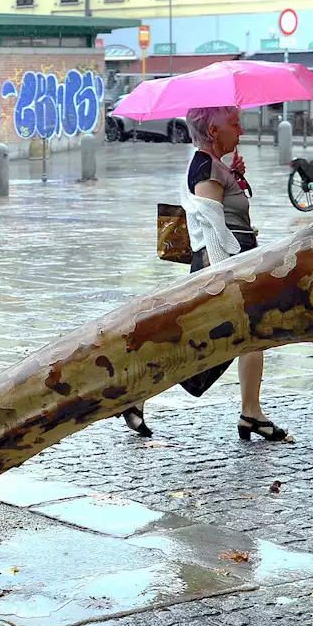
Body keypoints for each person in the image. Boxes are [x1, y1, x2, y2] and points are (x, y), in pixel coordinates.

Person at [122, 105, 291, 442]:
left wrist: (233, 175)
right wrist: (225, 279)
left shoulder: (214, 166)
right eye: (235, 124)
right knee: (203, 345)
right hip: (223, 265)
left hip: (235, 261)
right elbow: (213, 229)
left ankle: (251, 412)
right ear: (214, 132)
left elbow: (227, 217)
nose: (241, 131)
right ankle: (136, 391)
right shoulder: (205, 168)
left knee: (252, 335)